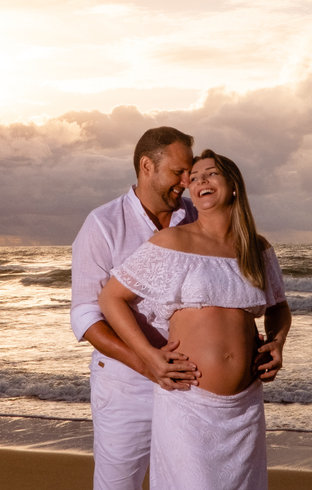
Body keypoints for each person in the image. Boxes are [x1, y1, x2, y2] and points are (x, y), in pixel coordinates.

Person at [99, 149, 292, 490]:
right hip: (188, 402)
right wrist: (148, 355)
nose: (201, 180)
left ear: (233, 186)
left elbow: (278, 306)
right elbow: (111, 298)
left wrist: (277, 341)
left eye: (211, 173)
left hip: (245, 406)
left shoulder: (257, 248)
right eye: (195, 177)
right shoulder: (173, 241)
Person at [71, 126, 202, 490]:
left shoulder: (195, 219)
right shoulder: (103, 224)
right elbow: (85, 314)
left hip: (187, 379)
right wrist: (145, 361)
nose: (187, 181)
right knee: (118, 485)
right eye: (178, 172)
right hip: (124, 383)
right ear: (147, 166)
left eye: (189, 172)